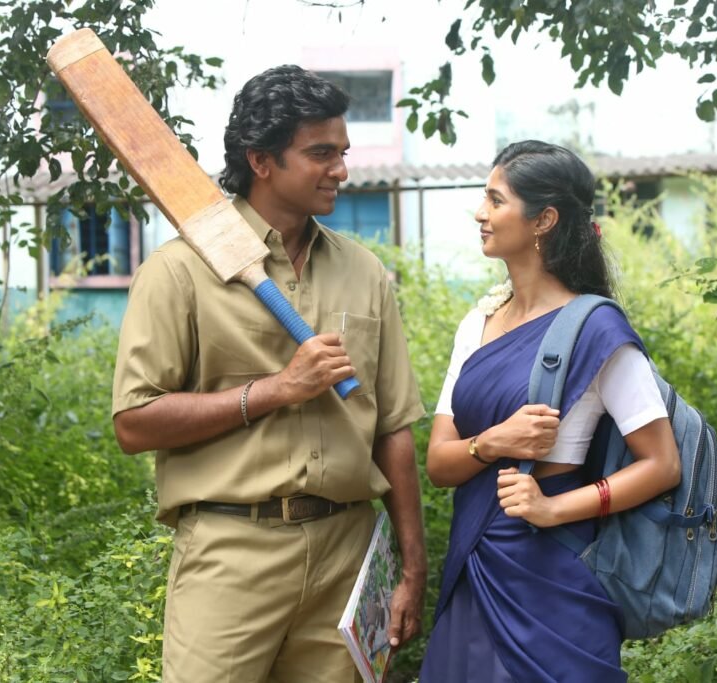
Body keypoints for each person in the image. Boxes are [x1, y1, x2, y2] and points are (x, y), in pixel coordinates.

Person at [111, 64, 427, 683]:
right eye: (320, 153)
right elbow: (135, 423)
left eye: (342, 152)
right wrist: (276, 391)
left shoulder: (364, 271)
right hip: (231, 550)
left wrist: (412, 569)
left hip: (347, 554)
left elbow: (392, 428)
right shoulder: (178, 272)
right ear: (260, 160)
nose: (340, 170)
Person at [418, 140, 682, 682]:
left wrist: (553, 509)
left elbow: (662, 465)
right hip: (478, 560)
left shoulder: (596, 329)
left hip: (554, 574)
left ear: (544, 220)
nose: (480, 213)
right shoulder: (477, 324)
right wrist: (492, 442)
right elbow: (440, 465)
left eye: (496, 200)